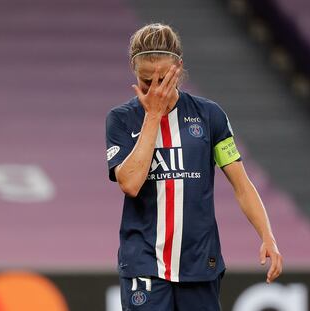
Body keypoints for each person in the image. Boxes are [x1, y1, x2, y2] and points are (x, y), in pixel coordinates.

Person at [106, 23, 283, 311]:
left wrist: (268, 236)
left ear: (179, 67)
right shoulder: (121, 119)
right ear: (133, 70)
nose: (155, 90)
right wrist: (152, 116)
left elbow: (241, 184)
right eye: (146, 81)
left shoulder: (209, 116)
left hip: (199, 262)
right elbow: (130, 183)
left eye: (163, 80)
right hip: (144, 262)